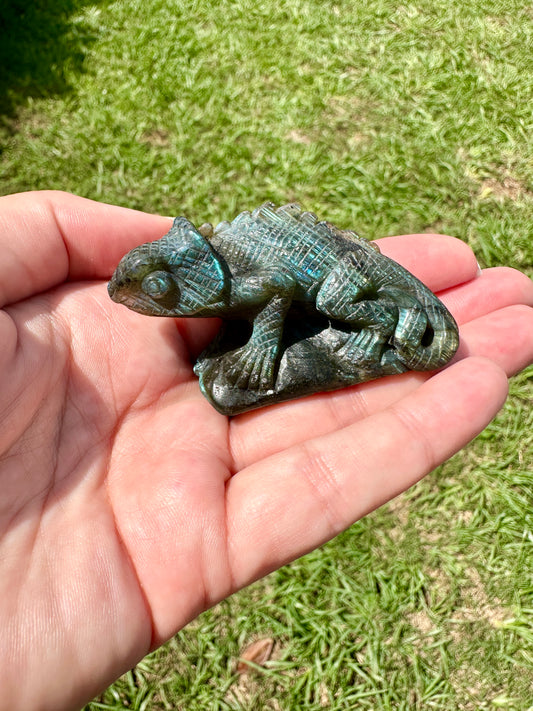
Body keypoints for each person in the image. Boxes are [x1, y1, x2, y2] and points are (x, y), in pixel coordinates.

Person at [0, 190, 532, 711]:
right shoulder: (218, 280)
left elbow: (277, 285)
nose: (150, 302)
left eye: (163, 289)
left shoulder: (244, 281)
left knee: (331, 301)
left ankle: (374, 328)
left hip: (337, 272)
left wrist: (263, 343)